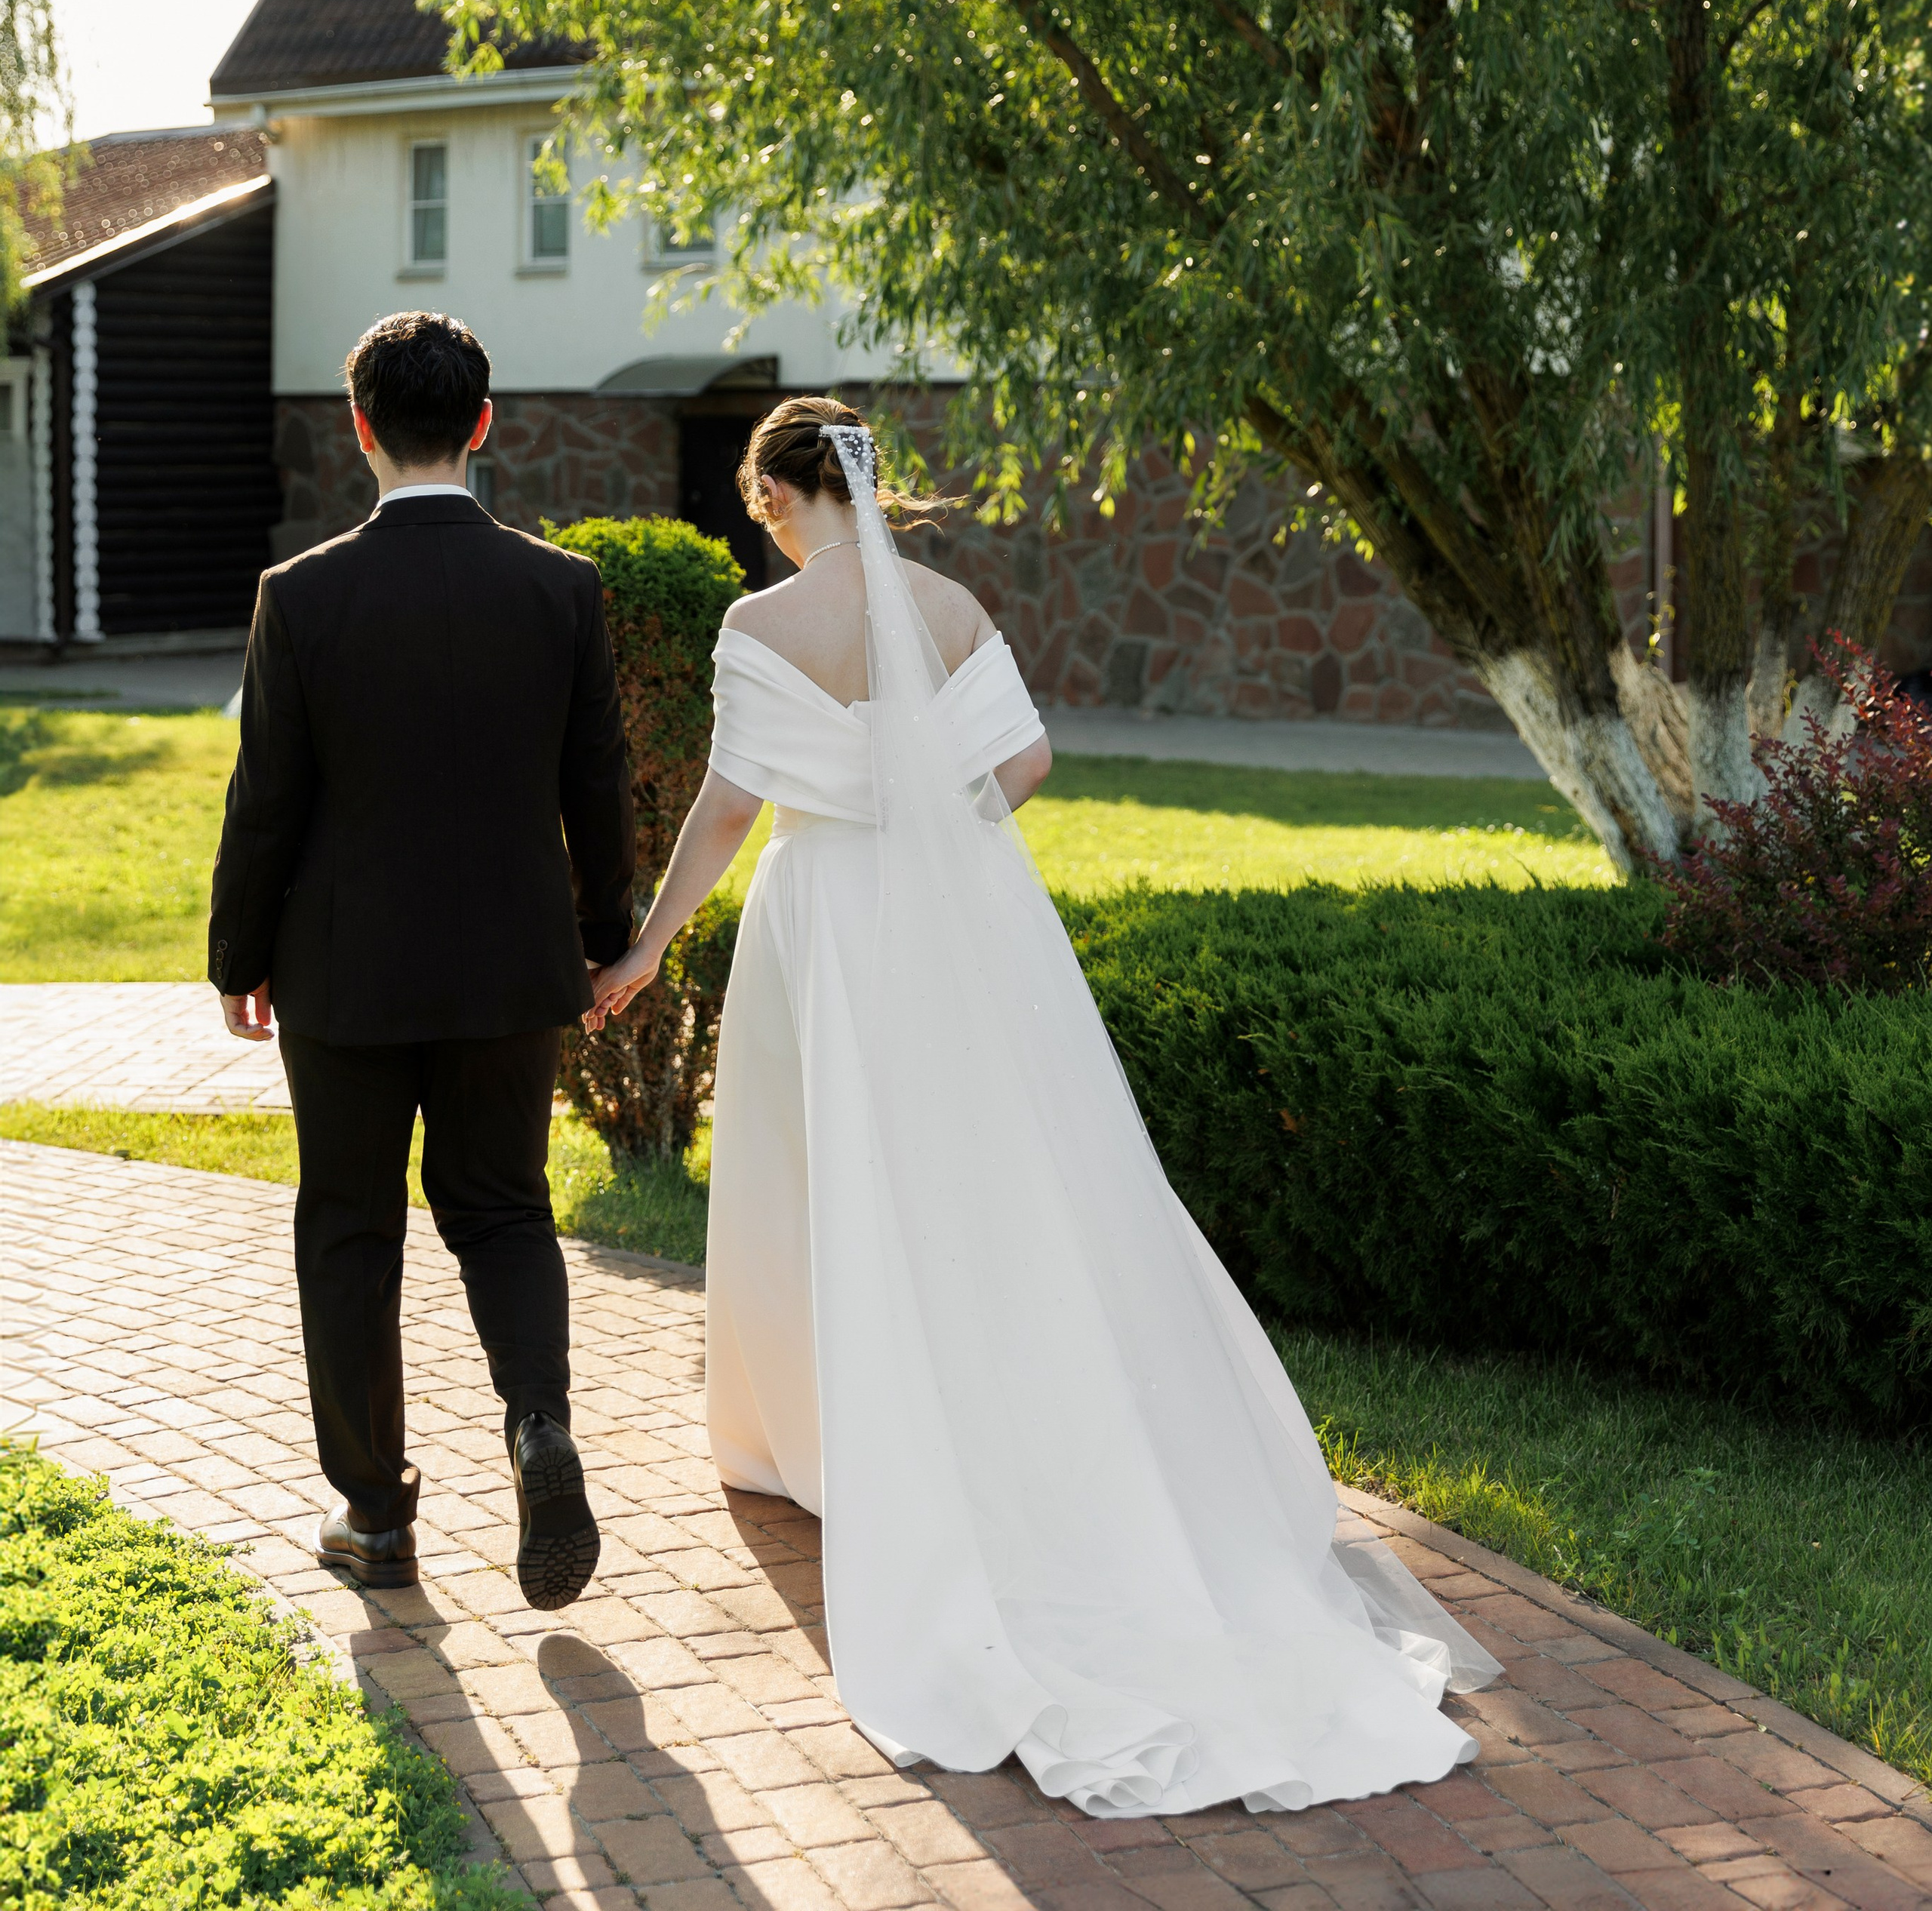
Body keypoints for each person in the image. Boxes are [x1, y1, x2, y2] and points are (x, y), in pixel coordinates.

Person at [584, 395, 1498, 1818]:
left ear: (773, 493)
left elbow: (728, 807)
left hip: (827, 925)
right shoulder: (949, 605)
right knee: (986, 1178)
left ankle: (809, 1436)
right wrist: (935, 837)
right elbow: (1026, 763)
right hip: (957, 931)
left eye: (760, 502)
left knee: (828, 1171)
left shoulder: (760, 625)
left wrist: (647, 946)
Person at [209, 311, 633, 1609]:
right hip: (510, 968)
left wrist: (237, 956)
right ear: (484, 423)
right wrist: (606, 942)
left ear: (360, 430)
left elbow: (266, 798)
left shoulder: (302, 593)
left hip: (344, 974)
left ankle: (375, 1519)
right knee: (504, 1211)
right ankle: (538, 1425)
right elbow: (598, 786)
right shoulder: (562, 588)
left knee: (349, 1226)